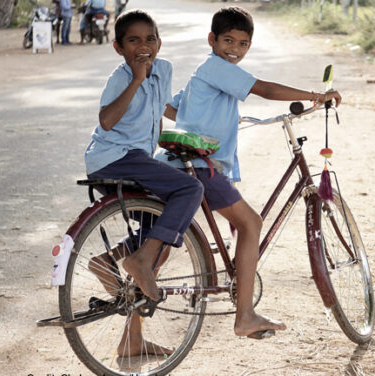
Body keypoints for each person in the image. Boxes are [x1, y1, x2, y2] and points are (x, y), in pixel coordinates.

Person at [156, 6, 341, 340]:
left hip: (183, 164)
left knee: (164, 237)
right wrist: (316, 96)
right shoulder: (216, 67)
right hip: (202, 166)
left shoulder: (204, 75)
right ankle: (245, 315)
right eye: (228, 40)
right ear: (211, 40)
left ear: (249, 46)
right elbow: (266, 90)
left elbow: (173, 108)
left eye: (243, 44)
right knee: (250, 223)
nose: (234, 49)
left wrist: (208, 119)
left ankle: (113, 263)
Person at [84, 9, 204, 357]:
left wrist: (198, 127)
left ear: (159, 42)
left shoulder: (164, 69)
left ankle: (109, 262)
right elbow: (106, 121)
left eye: (149, 39)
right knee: (190, 189)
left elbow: (163, 107)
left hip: (137, 160)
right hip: (115, 158)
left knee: (160, 221)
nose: (143, 46)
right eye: (133, 40)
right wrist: (136, 78)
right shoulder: (120, 78)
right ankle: (138, 263)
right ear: (118, 48)